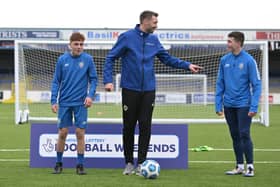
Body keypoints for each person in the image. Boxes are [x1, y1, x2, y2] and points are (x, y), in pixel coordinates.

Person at [103, 10, 202, 175]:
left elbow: (167, 58)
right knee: (128, 126)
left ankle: (141, 163)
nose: (157, 25)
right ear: (145, 21)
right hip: (130, 89)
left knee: (145, 125)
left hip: (149, 89)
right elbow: (110, 57)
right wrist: (108, 80)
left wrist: (187, 65)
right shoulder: (127, 37)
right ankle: (128, 162)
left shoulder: (154, 40)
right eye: (155, 22)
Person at [215, 31, 261, 177]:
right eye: (227, 41)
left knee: (244, 133)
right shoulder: (224, 60)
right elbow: (220, 83)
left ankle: (251, 167)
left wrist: (254, 106)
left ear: (238, 42)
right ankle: (239, 166)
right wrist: (218, 104)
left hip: (244, 104)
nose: (227, 44)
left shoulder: (249, 60)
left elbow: (257, 85)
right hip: (229, 105)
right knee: (235, 135)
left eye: (230, 41)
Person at [50, 32, 98, 175]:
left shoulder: (88, 59)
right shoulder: (62, 59)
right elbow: (56, 81)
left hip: (80, 103)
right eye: (76, 44)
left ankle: (80, 165)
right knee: (63, 133)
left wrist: (90, 96)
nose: (79, 47)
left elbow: (94, 79)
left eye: (81, 44)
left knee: (80, 133)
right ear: (70, 45)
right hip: (64, 102)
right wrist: (54, 100)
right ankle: (58, 163)